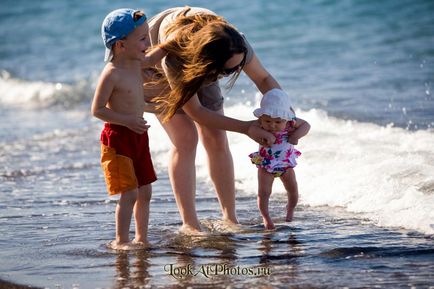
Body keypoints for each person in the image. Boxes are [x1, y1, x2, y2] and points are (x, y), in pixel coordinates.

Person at [142, 6, 284, 234]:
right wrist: (247, 128)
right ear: (209, 68)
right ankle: (190, 224)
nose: (237, 70)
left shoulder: (235, 44)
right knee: (186, 139)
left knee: (217, 138)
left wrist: (286, 112)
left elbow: (264, 78)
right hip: (154, 65)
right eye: (230, 71)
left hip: (204, 56)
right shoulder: (174, 59)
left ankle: (230, 218)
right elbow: (196, 112)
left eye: (240, 65)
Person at [91, 8, 166, 250]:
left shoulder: (136, 62)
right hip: (119, 138)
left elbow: (153, 58)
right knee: (130, 193)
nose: (148, 42)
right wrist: (127, 120)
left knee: (145, 192)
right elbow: (98, 110)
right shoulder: (111, 74)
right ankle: (121, 241)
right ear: (121, 45)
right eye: (143, 38)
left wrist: (174, 43)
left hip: (138, 136)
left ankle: (141, 238)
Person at [249, 88, 310, 230]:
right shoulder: (259, 124)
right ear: (261, 118)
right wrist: (264, 134)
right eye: (268, 120)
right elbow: (251, 128)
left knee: (293, 190)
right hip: (266, 165)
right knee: (263, 193)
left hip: (286, 165)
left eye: (277, 122)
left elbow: (307, 125)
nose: (272, 125)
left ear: (286, 119)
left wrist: (296, 136)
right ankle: (266, 218)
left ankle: (290, 209)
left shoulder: (290, 123)